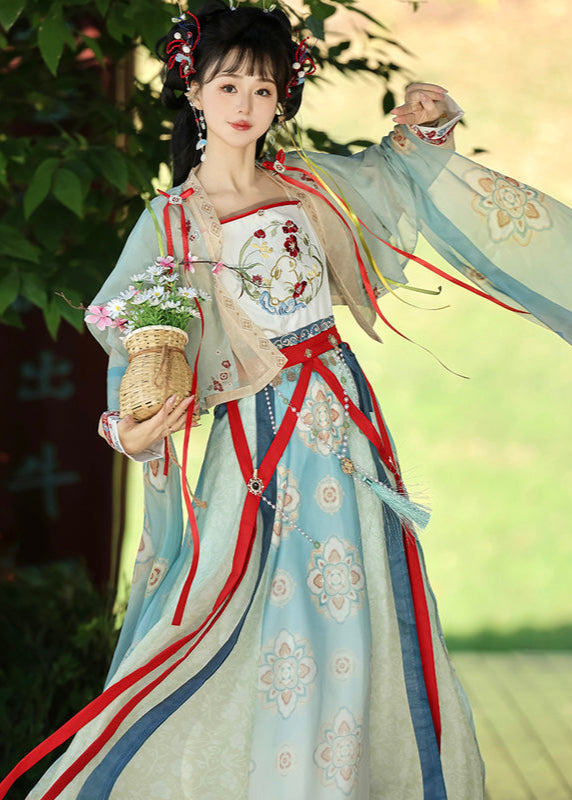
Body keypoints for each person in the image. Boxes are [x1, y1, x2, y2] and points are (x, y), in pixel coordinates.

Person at [4, 1, 571, 799]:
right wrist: (134, 431)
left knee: (362, 606)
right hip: (256, 449)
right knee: (257, 618)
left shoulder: (308, 187)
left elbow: (394, 179)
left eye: (263, 91)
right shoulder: (171, 222)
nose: (245, 105)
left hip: (343, 425)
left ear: (282, 102)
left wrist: (430, 123)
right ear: (193, 92)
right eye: (228, 85)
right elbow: (140, 353)